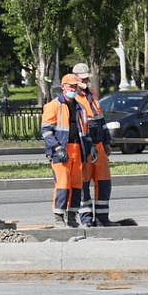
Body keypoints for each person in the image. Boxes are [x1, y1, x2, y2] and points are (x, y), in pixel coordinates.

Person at [41, 74, 96, 228]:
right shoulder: (53, 106)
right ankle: (59, 217)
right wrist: (57, 148)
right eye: (71, 86)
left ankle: (72, 217)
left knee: (77, 186)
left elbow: (84, 131)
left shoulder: (80, 107)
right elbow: (46, 131)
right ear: (63, 86)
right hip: (62, 151)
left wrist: (90, 145)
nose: (73, 89)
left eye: (75, 87)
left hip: (78, 150)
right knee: (63, 185)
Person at [73, 63, 118, 227]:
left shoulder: (92, 94)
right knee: (83, 185)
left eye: (87, 77)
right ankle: (86, 220)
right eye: (82, 77)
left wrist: (107, 141)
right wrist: (87, 144)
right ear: (75, 78)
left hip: (98, 145)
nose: (85, 80)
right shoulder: (74, 98)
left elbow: (100, 119)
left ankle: (102, 219)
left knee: (104, 182)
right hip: (84, 148)